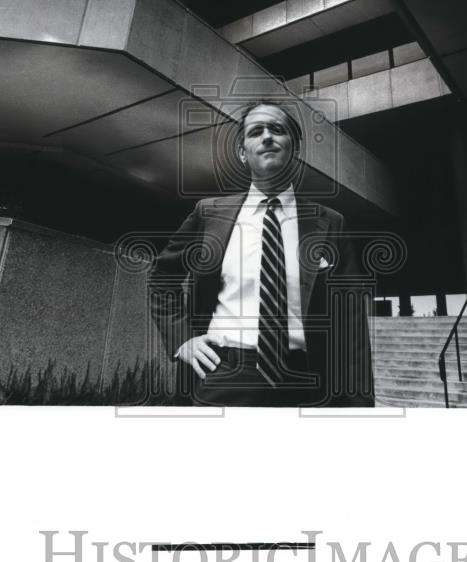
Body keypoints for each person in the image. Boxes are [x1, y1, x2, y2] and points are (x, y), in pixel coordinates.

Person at [149, 100, 374, 407]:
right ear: (243, 152)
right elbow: (162, 277)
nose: (267, 136)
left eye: (277, 129)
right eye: (256, 131)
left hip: (306, 381)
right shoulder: (209, 213)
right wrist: (182, 338)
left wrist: (359, 406)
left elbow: (351, 322)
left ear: (293, 147)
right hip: (223, 373)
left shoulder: (331, 223)